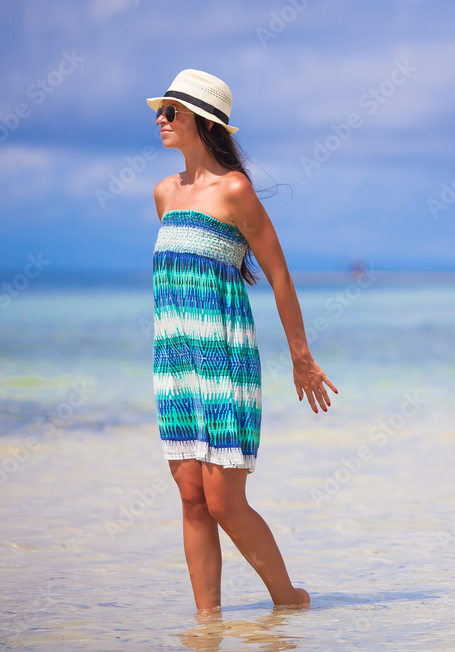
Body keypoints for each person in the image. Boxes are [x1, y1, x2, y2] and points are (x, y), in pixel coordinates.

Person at [147, 68, 336, 612]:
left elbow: (279, 275)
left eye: (171, 112)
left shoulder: (235, 190)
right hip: (175, 367)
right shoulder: (163, 194)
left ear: (202, 122)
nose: (161, 120)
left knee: (225, 501)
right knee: (190, 498)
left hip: (225, 362)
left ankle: (288, 601)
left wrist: (301, 359)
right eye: (160, 111)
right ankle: (207, 626)